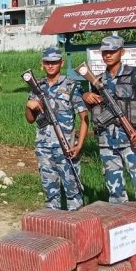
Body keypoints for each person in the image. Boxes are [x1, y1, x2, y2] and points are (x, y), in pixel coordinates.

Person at [82, 36, 136, 203]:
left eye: (112, 51)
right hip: (106, 142)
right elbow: (95, 109)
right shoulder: (98, 80)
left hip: (132, 139)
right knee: (115, 193)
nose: (108, 55)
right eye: (105, 52)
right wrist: (87, 97)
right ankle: (121, 227)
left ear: (121, 52)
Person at [25, 48, 89, 210]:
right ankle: (54, 225)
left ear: (61, 63)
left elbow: (84, 119)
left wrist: (79, 145)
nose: (51, 66)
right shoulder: (36, 86)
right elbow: (30, 119)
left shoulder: (71, 86)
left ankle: (78, 227)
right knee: (50, 191)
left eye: (54, 62)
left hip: (66, 147)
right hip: (44, 146)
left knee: (73, 190)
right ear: (42, 64)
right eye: (47, 62)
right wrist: (29, 106)